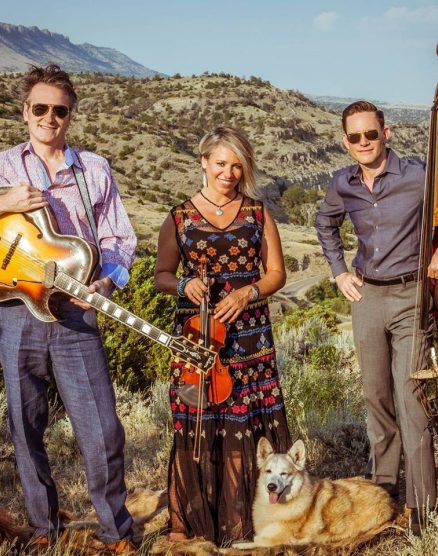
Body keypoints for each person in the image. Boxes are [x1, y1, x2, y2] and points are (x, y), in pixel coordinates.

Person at [0, 65, 137, 553]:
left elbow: (119, 238)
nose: (49, 118)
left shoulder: (93, 170)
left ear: (70, 115)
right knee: (25, 422)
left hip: (76, 311)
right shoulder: (4, 166)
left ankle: (116, 531)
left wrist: (107, 279)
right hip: (16, 309)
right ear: (25, 112)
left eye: (59, 109)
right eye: (40, 108)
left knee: (102, 427)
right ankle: (42, 528)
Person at [314, 100, 438, 533]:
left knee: (411, 399)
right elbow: (324, 224)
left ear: (386, 133)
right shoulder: (343, 183)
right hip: (368, 297)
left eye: (370, 134)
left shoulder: (418, 176)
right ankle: (382, 492)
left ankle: (422, 508)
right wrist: (338, 272)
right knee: (376, 398)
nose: (363, 143)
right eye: (354, 137)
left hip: (412, 297)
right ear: (345, 141)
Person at [154, 126, 291, 544]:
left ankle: (247, 523)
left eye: (237, 166)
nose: (228, 173)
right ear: (204, 162)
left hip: (250, 339)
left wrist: (249, 292)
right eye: (221, 163)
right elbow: (161, 274)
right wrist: (182, 286)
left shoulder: (257, 212)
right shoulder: (178, 216)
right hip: (197, 340)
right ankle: (195, 525)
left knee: (245, 426)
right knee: (197, 424)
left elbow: (277, 274)